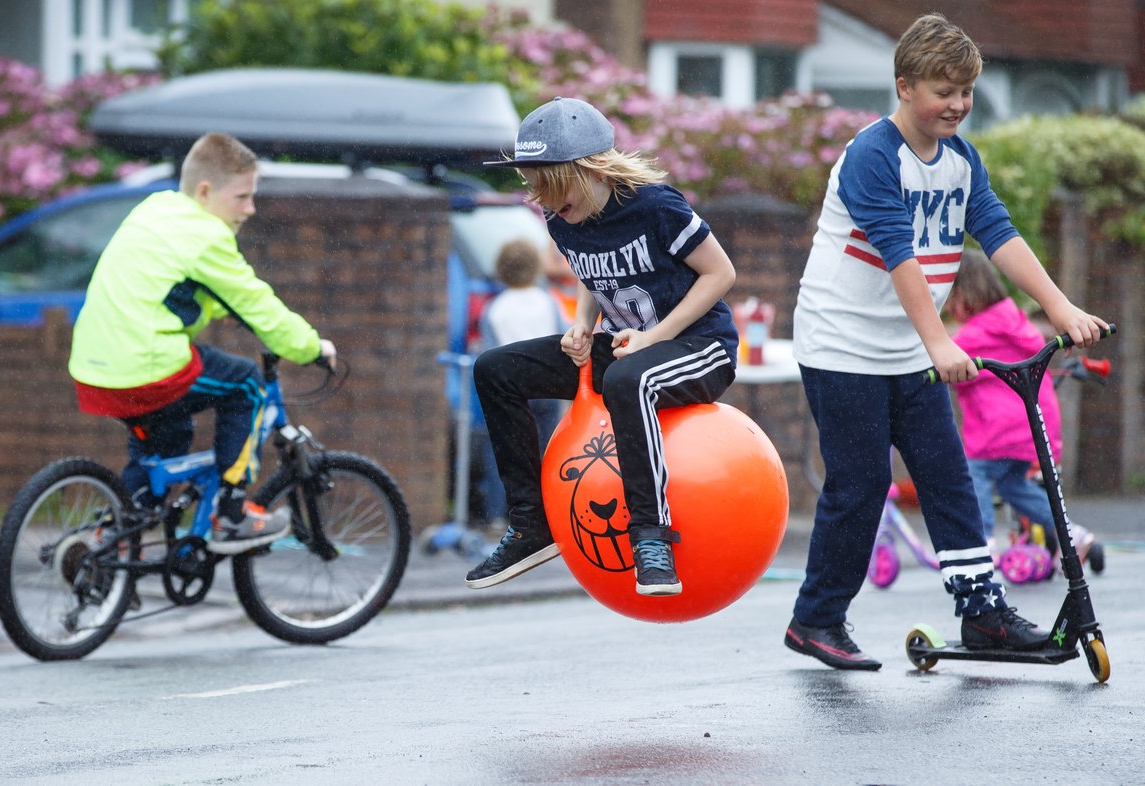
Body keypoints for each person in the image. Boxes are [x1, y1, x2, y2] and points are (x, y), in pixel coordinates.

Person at [785, 14, 1107, 670]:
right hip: (842, 345)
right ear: (904, 86)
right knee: (863, 481)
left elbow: (998, 233)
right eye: (942, 90)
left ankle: (982, 613)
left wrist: (1060, 307)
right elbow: (900, 254)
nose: (957, 104)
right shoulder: (873, 156)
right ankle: (816, 619)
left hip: (909, 349)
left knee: (950, 477)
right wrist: (938, 342)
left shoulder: (959, 160)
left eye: (965, 91)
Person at [468, 96, 739, 596]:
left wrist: (656, 337)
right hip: (622, 346)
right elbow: (595, 277)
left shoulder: (657, 207)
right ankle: (531, 525)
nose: (546, 203)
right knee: (494, 369)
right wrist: (581, 325)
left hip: (700, 348)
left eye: (553, 188)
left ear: (592, 169)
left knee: (626, 380)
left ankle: (651, 539)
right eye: (536, 190)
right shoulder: (561, 219)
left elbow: (720, 274)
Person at [68, 132, 336, 555]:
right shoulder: (207, 236)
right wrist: (309, 347)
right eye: (243, 197)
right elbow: (257, 303)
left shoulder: (155, 210)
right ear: (206, 191)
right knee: (247, 383)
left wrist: (219, 309)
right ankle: (230, 514)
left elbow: (174, 290)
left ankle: (114, 545)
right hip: (147, 368)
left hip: (93, 368)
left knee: (165, 444)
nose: (250, 209)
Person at [945, 249, 1065, 548]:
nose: (949, 310)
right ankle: (1072, 533)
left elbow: (945, 357)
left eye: (950, 301)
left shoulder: (977, 333)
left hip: (999, 429)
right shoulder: (1013, 321)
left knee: (974, 475)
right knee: (1013, 486)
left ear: (963, 293)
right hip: (1031, 422)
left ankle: (982, 543)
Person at [474, 237, 568, 526]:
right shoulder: (547, 301)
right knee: (548, 449)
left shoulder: (495, 308)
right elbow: (563, 334)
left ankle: (498, 515)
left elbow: (487, 354)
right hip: (546, 386)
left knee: (503, 452)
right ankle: (550, 511)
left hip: (513, 389)